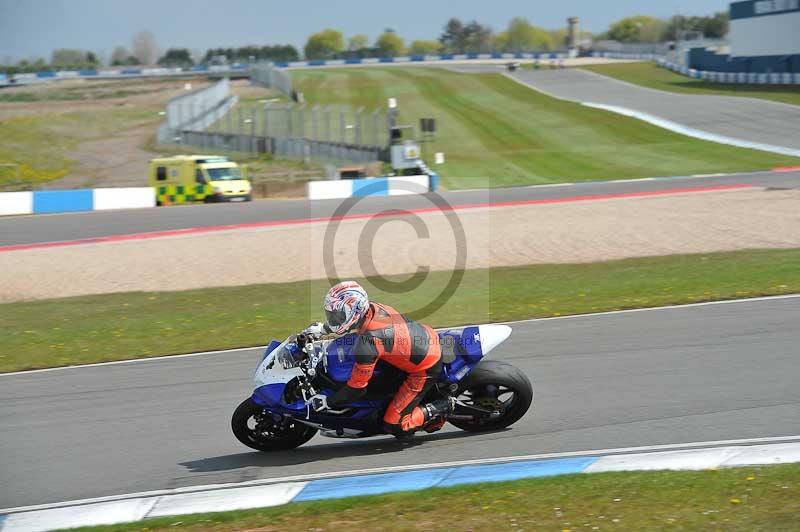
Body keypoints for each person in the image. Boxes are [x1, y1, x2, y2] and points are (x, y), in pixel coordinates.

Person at [304, 280, 453, 437]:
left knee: (395, 425)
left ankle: (443, 405)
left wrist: (328, 401)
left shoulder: (368, 342)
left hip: (425, 367)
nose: (334, 319)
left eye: (338, 315)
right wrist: (322, 329)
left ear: (354, 311)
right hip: (423, 337)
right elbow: (348, 325)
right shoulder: (372, 308)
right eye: (332, 315)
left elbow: (357, 389)